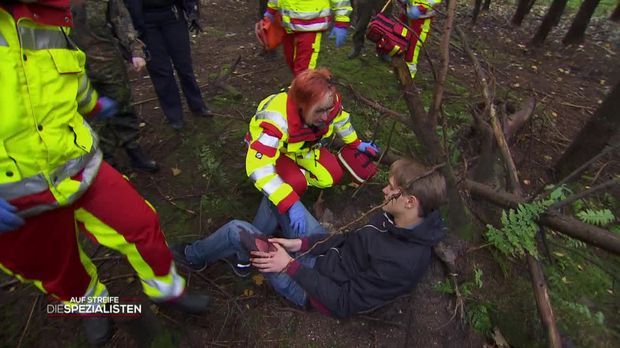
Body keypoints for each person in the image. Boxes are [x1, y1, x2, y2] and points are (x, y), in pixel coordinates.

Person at [0, 2, 208, 345]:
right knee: (58, 270)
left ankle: (166, 291)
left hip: (79, 166)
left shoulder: (50, 17)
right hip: (15, 198)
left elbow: (69, 75)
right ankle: (92, 307)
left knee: (141, 225)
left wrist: (92, 103)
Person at [171, 158, 447, 317]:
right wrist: (301, 244)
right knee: (277, 197)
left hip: (313, 290)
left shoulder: (403, 263)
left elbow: (344, 303)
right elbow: (349, 238)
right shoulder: (395, 218)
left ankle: (194, 258)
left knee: (235, 229)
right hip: (322, 253)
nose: (385, 191)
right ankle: (245, 259)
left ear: (410, 202)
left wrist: (289, 265)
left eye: (391, 187)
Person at [245, 68, 379, 236]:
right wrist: (290, 201)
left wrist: (355, 143)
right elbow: (258, 167)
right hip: (277, 153)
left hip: (303, 149)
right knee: (295, 183)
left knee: (332, 176)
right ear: (301, 106)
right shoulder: (276, 122)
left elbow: (340, 120)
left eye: (327, 109)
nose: (325, 117)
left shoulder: (327, 101)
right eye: (319, 111)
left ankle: (291, 182)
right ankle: (276, 205)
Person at [70, 0, 159, 173]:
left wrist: (135, 50)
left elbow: (121, 19)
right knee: (91, 117)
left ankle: (134, 150)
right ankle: (107, 162)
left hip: (107, 61)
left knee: (122, 104)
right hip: (72, 69)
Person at [125, 0, 211, 130]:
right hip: (144, 21)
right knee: (160, 70)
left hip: (172, 15)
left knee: (184, 65)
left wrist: (192, 11)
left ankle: (198, 105)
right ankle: (174, 115)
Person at [263, 0, 353, 76]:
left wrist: (341, 22)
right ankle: (300, 88)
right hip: (289, 26)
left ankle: (303, 92)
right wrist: (271, 10)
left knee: (304, 70)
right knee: (291, 61)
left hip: (311, 27)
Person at [397, 0, 441, 78]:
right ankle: (393, 60)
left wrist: (420, 8)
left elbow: (434, 2)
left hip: (422, 19)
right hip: (406, 13)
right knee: (397, 37)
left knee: (414, 45)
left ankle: (409, 73)